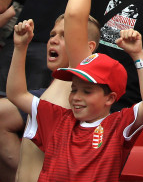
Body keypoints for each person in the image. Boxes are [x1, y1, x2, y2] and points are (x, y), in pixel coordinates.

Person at [6, 20, 143, 182]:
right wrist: (20, 47)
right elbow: (16, 94)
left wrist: (138, 55)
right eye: (74, 89)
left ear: (110, 98)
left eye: (87, 91)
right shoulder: (57, 118)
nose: (77, 97)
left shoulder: (118, 125)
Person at [0, 14, 99, 182]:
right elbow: (15, 94)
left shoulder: (79, 97)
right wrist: (20, 46)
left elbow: (75, 12)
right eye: (52, 35)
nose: (53, 40)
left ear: (88, 48)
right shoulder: (51, 91)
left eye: (64, 35)